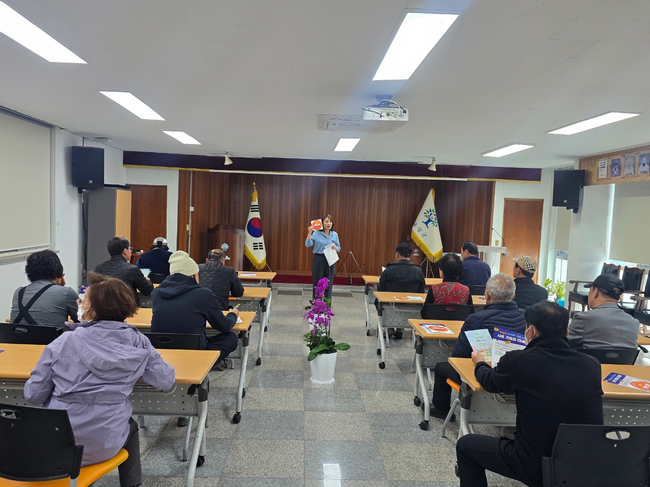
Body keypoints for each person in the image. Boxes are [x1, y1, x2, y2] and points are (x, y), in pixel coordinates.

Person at [24, 273, 175, 487]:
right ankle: (132, 484)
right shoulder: (139, 343)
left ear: (93, 310)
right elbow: (165, 380)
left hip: (58, 442)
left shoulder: (64, 342)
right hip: (104, 443)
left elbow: (33, 396)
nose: (80, 305)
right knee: (129, 426)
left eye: (83, 301)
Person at [456, 301, 604, 487]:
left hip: (537, 466)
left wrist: (479, 363)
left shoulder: (519, 361)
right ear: (566, 332)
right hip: (586, 465)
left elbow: (489, 382)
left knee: (466, 446)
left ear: (530, 332)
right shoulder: (591, 364)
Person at [429, 274, 526, 420]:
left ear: (487, 294)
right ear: (513, 296)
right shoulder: (526, 317)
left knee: (442, 367)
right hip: (516, 378)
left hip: (484, 375)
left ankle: (441, 409)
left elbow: (458, 357)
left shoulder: (476, 319)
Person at [151, 251, 239, 366]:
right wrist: (233, 314)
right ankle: (204, 364)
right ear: (194, 275)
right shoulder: (204, 294)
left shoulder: (156, 293)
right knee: (231, 337)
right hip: (194, 351)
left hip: (161, 349)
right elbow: (224, 326)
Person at [568, 273, 639, 349]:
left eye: (590, 290)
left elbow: (563, 343)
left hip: (589, 357)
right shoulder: (634, 323)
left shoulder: (583, 319)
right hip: (624, 357)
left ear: (595, 292)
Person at [10, 249, 78, 327]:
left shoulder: (19, 292)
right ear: (58, 272)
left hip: (15, 335)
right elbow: (84, 321)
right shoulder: (66, 293)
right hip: (53, 335)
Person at [375, 242, 425, 339]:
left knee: (377, 301)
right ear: (410, 255)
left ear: (397, 254)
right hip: (412, 308)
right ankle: (400, 328)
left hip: (389, 308)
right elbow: (421, 293)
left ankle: (389, 327)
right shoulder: (418, 272)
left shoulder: (388, 271)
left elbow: (381, 291)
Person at [95, 237, 153, 307]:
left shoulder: (99, 268)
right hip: (127, 309)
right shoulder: (132, 269)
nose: (130, 251)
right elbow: (147, 290)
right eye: (130, 249)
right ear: (125, 251)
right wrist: (147, 280)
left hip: (104, 308)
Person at [305, 214, 340, 300]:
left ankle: (327, 305)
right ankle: (317, 304)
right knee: (318, 282)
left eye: (330, 222)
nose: (329, 224)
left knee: (329, 283)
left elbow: (339, 248)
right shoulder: (316, 233)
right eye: (326, 221)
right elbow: (308, 244)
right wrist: (309, 233)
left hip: (330, 259)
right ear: (322, 223)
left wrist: (336, 248)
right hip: (319, 259)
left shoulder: (334, 234)